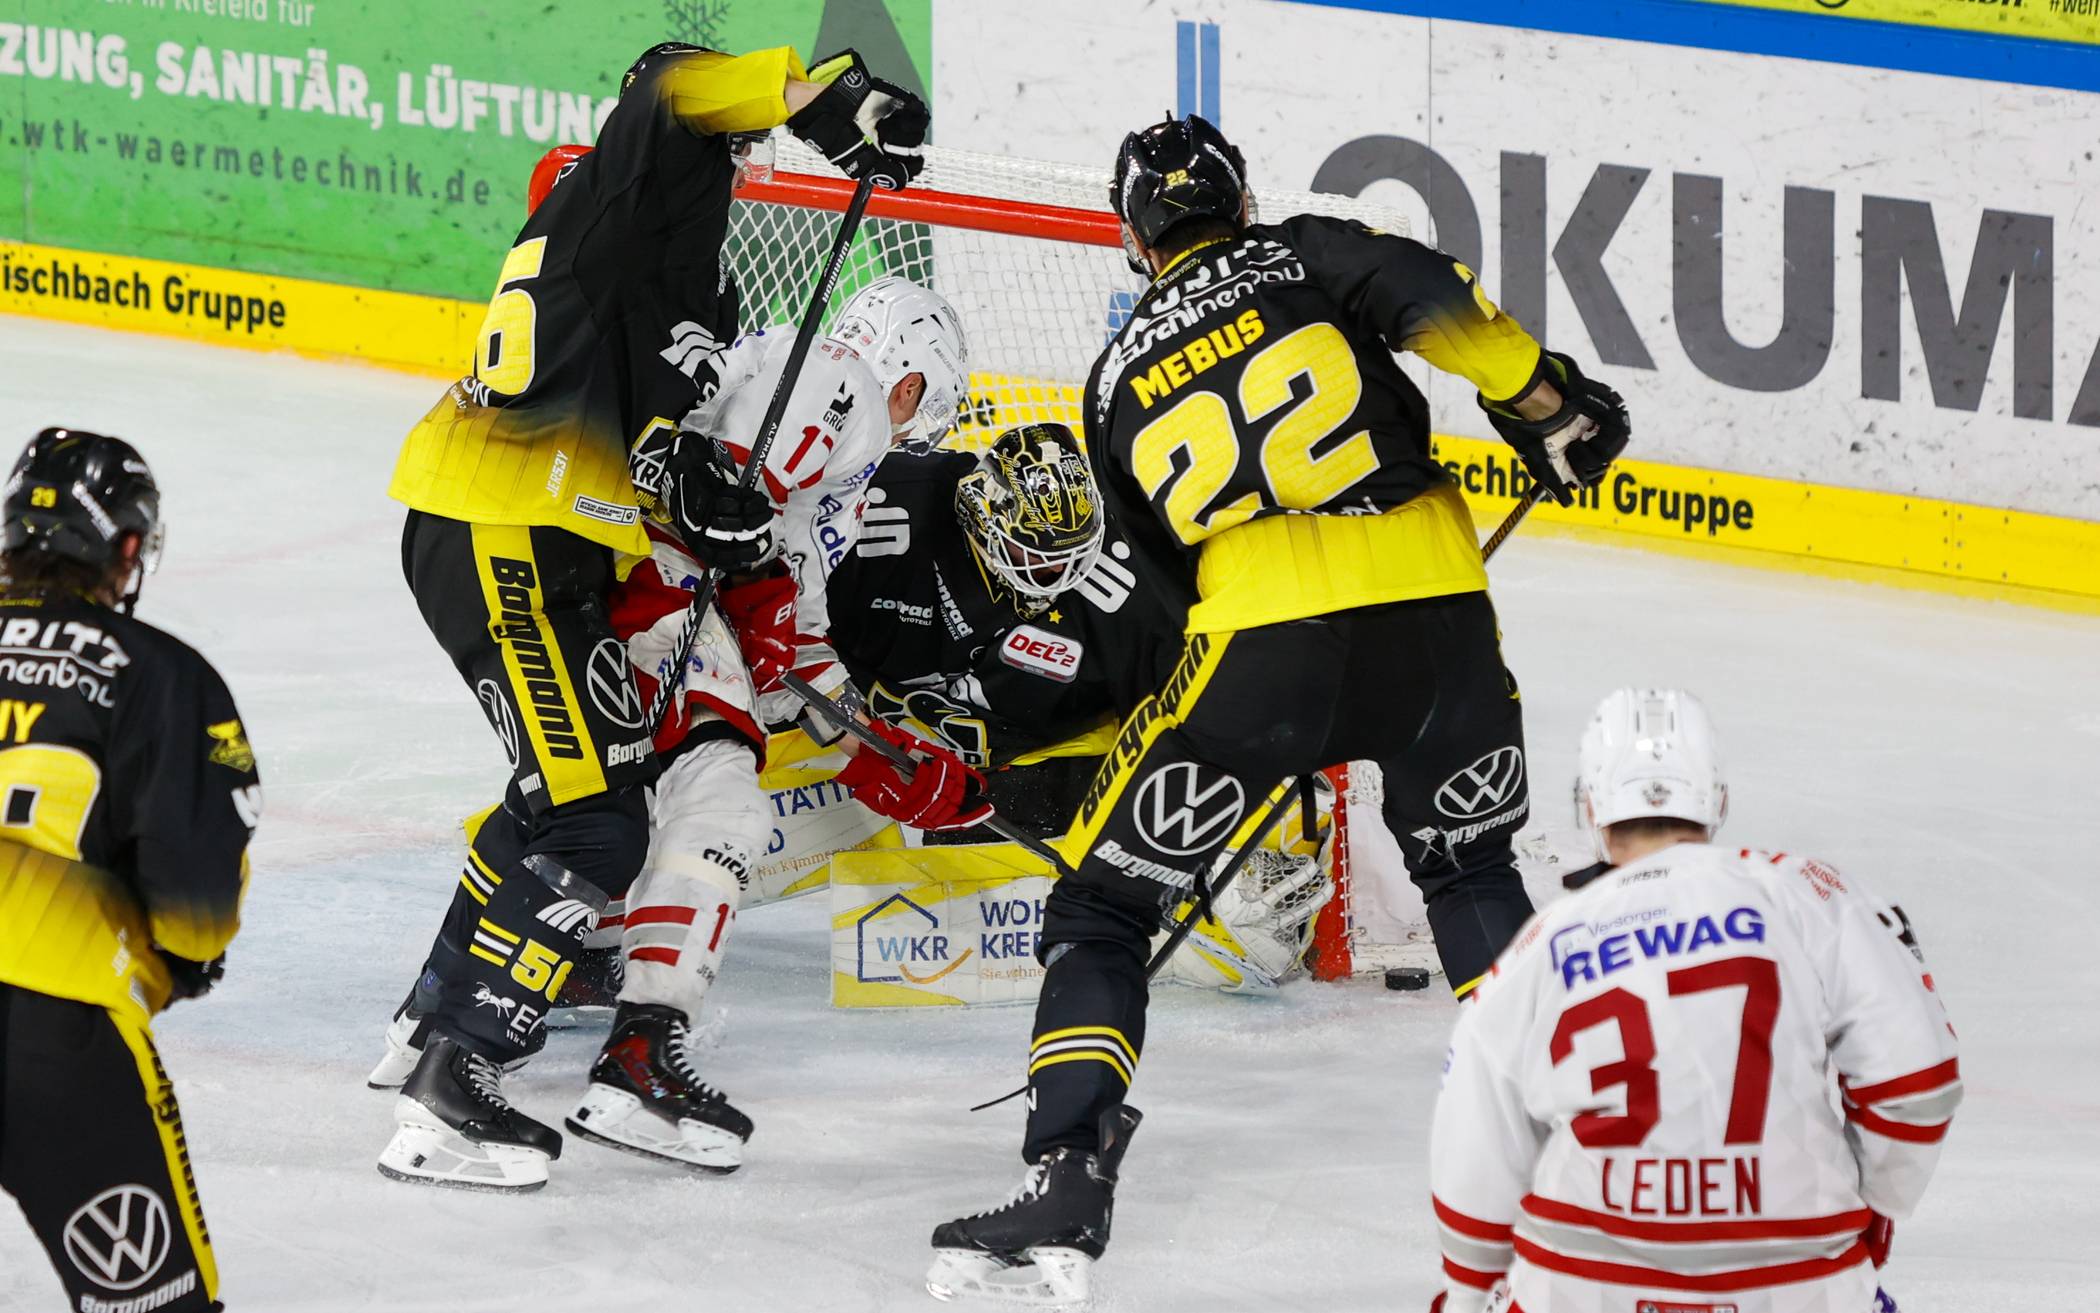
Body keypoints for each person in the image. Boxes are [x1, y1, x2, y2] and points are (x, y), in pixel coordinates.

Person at [926, 114, 1630, 1304]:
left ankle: (1068, 1172)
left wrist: (1224, 725)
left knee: (1103, 903)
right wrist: (1549, 406)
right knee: (1468, 869)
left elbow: (1161, 582)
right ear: (1241, 203)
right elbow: (1433, 294)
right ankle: (1582, 1153)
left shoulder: (1112, 375)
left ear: (1132, 238)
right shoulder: (1299, 250)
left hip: (1258, 651)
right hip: (1435, 618)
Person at [374, 40, 928, 1192]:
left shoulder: (685, 278)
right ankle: (455, 1077)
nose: (742, 157)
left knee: (580, 799)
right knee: (597, 827)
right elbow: (676, 81)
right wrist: (828, 98)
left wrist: (698, 493)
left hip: (552, 537)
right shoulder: (619, 190)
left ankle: (440, 1021)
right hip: (508, 524)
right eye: (734, 139)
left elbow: (648, 440)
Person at [1426, 689, 1960, 1313]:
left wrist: (1468, 1293)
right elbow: (1916, 1080)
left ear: (1591, 805)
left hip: (1585, 1281)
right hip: (1793, 1273)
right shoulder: (1808, 896)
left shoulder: (1541, 945)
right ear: (1718, 799)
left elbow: (1474, 1144)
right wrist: (1877, 1204)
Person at [0, 428, 262, 1313]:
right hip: (56, 1024)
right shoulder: (162, 674)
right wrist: (186, 957)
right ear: (125, 546)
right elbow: (196, 878)